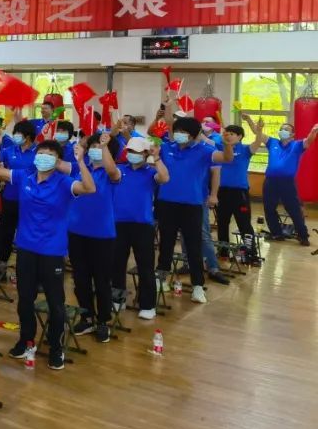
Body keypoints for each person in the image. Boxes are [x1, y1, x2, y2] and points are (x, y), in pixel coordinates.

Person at [0, 137, 96, 370]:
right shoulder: (24, 177)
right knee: (25, 299)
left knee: (55, 303)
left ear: (57, 161)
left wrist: (80, 162)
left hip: (52, 251)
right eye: (41, 153)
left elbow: (89, 188)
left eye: (50, 154)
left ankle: (56, 348)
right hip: (25, 248)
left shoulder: (64, 182)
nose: (44, 157)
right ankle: (26, 341)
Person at [155, 114, 236, 303]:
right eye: (177, 131)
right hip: (167, 203)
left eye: (183, 132)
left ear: (193, 135)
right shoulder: (166, 148)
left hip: (192, 205)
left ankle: (198, 286)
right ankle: (162, 278)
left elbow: (226, 158)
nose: (179, 134)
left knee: (193, 246)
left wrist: (227, 145)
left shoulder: (205, 150)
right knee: (166, 243)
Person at [68, 132, 121, 342]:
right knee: (80, 279)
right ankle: (87, 316)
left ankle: (103, 320)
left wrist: (105, 146)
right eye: (93, 146)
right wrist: (79, 158)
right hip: (76, 232)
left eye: (99, 147)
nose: (95, 149)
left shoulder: (112, 173)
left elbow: (112, 170)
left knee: (101, 281)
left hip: (102, 235)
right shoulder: (80, 169)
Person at [111, 137, 169, 320]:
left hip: (143, 225)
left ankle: (147, 304)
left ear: (145, 153)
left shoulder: (150, 172)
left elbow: (165, 177)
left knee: (145, 266)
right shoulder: (120, 169)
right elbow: (110, 171)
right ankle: (117, 299)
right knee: (117, 264)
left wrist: (156, 157)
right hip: (119, 223)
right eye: (129, 151)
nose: (132, 155)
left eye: (136, 152)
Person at [260, 120, 316, 245]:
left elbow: (309, 140)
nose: (282, 131)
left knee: (294, 209)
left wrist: (314, 131)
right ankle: (277, 233)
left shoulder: (297, 145)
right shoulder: (272, 142)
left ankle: (303, 236)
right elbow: (258, 134)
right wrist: (250, 122)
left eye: (286, 129)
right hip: (270, 182)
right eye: (281, 129)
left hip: (287, 183)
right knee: (269, 209)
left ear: (292, 134)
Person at [0, 120, 38, 268]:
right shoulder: (9, 150)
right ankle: (2, 262)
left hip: (30, 200)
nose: (15, 136)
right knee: (5, 232)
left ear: (28, 136)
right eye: (15, 133)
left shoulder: (39, 152)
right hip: (9, 197)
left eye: (18, 133)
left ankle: (26, 265)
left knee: (27, 233)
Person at [218, 118, 261, 260]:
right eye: (227, 133)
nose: (228, 136)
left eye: (232, 134)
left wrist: (257, 128)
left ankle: (251, 252)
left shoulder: (246, 149)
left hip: (239, 193)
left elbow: (258, 141)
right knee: (222, 223)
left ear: (240, 136)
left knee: (244, 224)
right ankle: (223, 251)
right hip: (222, 191)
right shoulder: (220, 148)